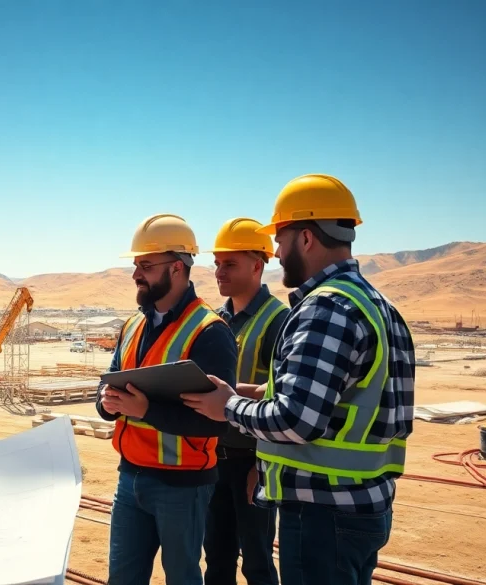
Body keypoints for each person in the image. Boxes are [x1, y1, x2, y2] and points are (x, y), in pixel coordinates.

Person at [182, 175, 416, 585]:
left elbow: (298, 419)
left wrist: (227, 406)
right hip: (363, 506)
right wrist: (246, 392)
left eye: (281, 239)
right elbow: (332, 399)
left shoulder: (327, 308)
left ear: (306, 238)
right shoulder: (379, 304)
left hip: (322, 511)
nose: (276, 251)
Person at [95, 213, 239, 585]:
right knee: (123, 579)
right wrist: (106, 404)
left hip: (183, 485)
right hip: (130, 477)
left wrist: (146, 411)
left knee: (182, 578)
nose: (135, 274)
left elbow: (215, 420)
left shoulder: (210, 332)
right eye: (136, 265)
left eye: (146, 265)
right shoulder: (132, 325)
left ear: (178, 268)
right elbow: (107, 384)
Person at [201, 217, 285, 585]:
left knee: (257, 563)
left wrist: (262, 465)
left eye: (229, 263)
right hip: (213, 460)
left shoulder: (279, 321)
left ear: (258, 264)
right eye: (217, 263)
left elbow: (284, 401)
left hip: (251, 463)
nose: (219, 271)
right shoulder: (217, 320)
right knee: (216, 560)